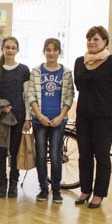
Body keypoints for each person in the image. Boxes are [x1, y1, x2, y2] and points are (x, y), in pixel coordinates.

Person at [74, 25, 112, 209]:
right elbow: (79, 87)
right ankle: (85, 190)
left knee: (101, 155)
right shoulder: (79, 62)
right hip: (84, 116)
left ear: (105, 41)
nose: (91, 42)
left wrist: (107, 105)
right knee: (84, 155)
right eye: (89, 39)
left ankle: (99, 194)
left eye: (96, 39)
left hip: (106, 118)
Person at [25, 38, 74, 203]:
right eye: (48, 50)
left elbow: (69, 96)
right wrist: (39, 116)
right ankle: (43, 188)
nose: (51, 53)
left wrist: (60, 117)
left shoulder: (66, 73)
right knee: (40, 155)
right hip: (39, 120)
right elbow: (31, 94)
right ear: (44, 51)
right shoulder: (36, 71)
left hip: (58, 121)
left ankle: (57, 189)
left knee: (55, 156)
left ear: (59, 52)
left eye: (54, 50)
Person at [0, 36, 30, 198]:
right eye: (7, 47)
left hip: (18, 115)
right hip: (1, 117)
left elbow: (26, 95)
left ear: (17, 50)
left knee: (15, 150)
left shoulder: (24, 70)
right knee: (1, 150)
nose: (10, 50)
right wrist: (1, 107)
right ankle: (2, 184)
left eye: (13, 48)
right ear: (3, 49)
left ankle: (13, 184)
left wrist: (28, 118)